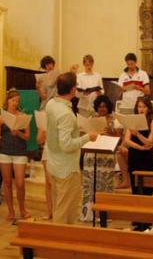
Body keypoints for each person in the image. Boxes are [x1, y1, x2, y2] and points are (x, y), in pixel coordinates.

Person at [46, 72, 98, 224]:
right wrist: (88, 137)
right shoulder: (66, 113)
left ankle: (63, 242)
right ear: (73, 89)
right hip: (67, 168)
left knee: (60, 207)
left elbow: (59, 132)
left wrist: (77, 131)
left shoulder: (51, 104)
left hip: (54, 164)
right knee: (65, 212)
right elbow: (67, 145)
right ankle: (60, 245)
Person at [80, 95, 122, 221]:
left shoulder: (115, 121)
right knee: (90, 184)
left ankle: (104, 214)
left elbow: (119, 140)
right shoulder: (92, 119)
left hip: (106, 156)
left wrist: (111, 131)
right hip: (91, 155)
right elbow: (84, 134)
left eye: (104, 106)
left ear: (108, 106)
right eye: (99, 106)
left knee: (105, 184)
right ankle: (89, 214)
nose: (102, 109)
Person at [0, 89, 30, 222]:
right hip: (4, 151)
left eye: (17, 101)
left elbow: (27, 136)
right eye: (13, 100)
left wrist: (18, 133)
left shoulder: (23, 116)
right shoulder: (0, 118)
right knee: (7, 182)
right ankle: (11, 211)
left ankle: (23, 209)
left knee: (20, 183)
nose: (15, 103)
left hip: (19, 151)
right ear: (8, 100)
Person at [125, 96, 153, 231]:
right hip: (135, 155)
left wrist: (137, 134)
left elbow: (150, 141)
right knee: (135, 188)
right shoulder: (132, 120)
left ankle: (147, 218)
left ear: (148, 108)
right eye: (139, 107)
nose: (141, 109)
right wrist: (138, 147)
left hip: (147, 158)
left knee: (147, 189)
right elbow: (127, 140)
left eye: (144, 107)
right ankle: (137, 217)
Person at [35, 55, 58, 219]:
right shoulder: (42, 80)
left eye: (50, 65)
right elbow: (39, 139)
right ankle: (50, 212)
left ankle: (57, 212)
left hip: (58, 149)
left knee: (55, 182)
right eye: (46, 66)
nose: (49, 68)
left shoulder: (58, 77)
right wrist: (38, 87)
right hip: (48, 146)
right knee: (48, 182)